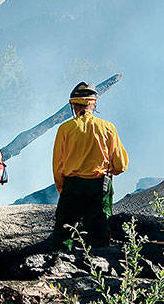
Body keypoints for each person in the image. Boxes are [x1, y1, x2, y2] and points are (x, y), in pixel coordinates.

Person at [51, 82, 129, 252]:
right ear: (94, 104)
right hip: (100, 186)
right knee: (100, 233)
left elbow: (58, 165)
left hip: (73, 186)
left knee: (64, 232)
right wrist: (110, 171)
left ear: (73, 105)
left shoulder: (65, 129)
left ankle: (58, 266)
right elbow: (121, 164)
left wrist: (63, 189)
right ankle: (99, 271)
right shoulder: (108, 128)